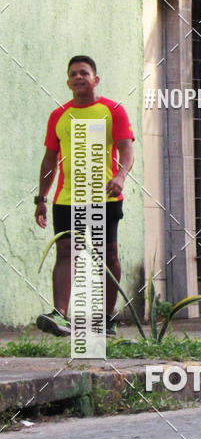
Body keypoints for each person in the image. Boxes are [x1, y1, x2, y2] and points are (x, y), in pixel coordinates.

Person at [34, 55, 134, 337]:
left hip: (105, 196)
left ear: (95, 79)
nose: (79, 77)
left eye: (84, 73)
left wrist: (120, 176)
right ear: (68, 82)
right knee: (66, 252)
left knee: (108, 254)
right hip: (67, 198)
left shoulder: (113, 110)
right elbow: (49, 160)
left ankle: (106, 319)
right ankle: (61, 316)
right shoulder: (59, 116)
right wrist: (41, 197)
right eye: (74, 74)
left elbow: (127, 151)